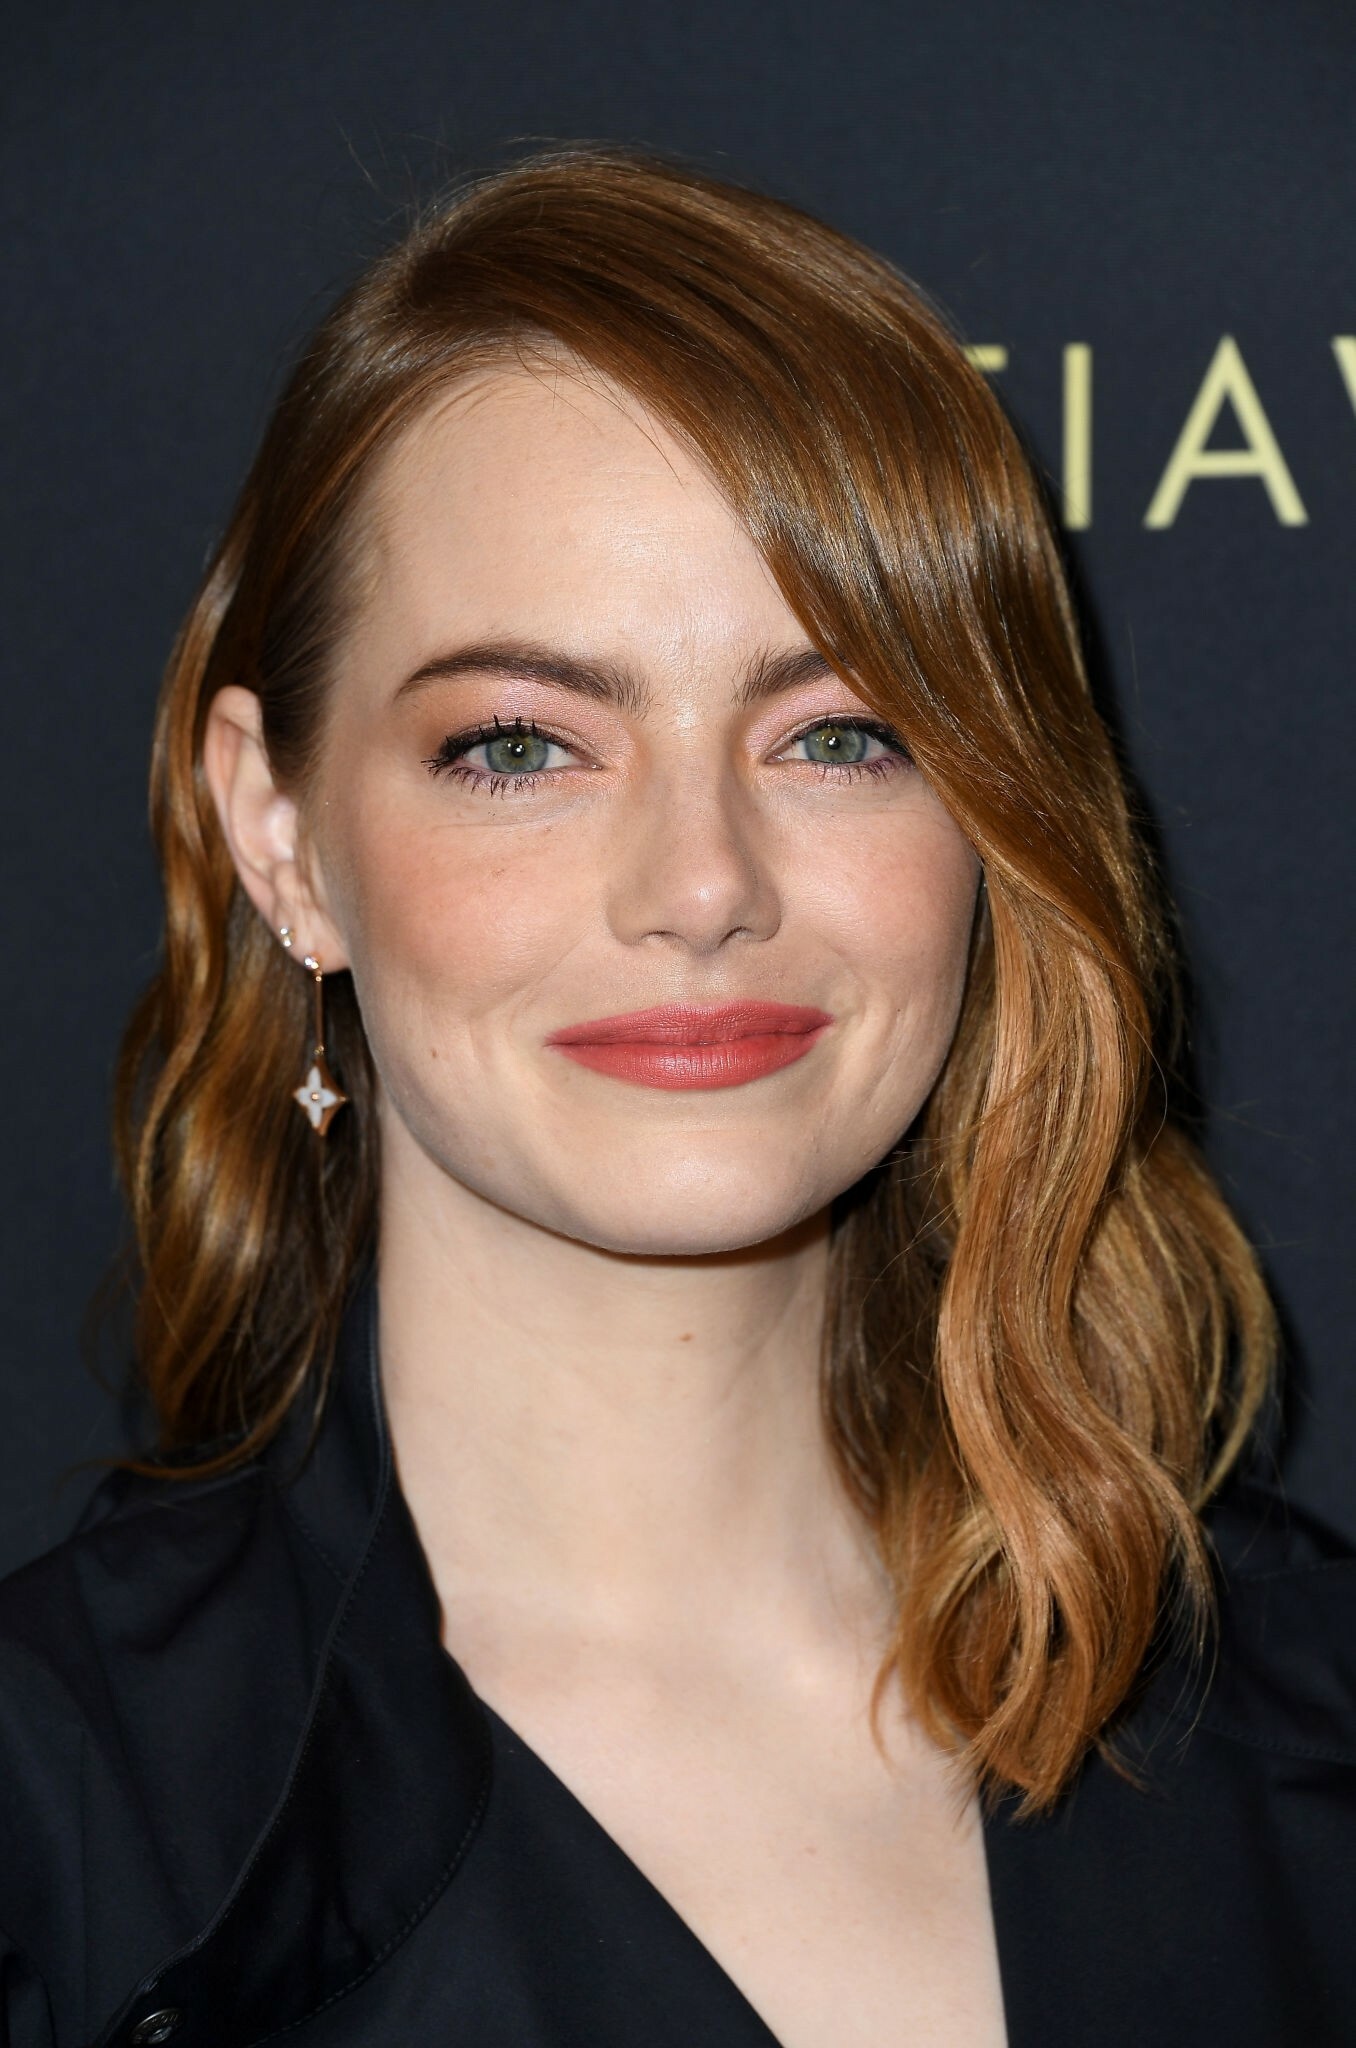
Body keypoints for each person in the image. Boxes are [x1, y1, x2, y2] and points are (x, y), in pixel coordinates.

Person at [0, 145, 1351, 2048]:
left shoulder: (1305, 1721)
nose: (704, 885)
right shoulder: (63, 1824)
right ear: (281, 835)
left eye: (842, 734)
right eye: (521, 746)